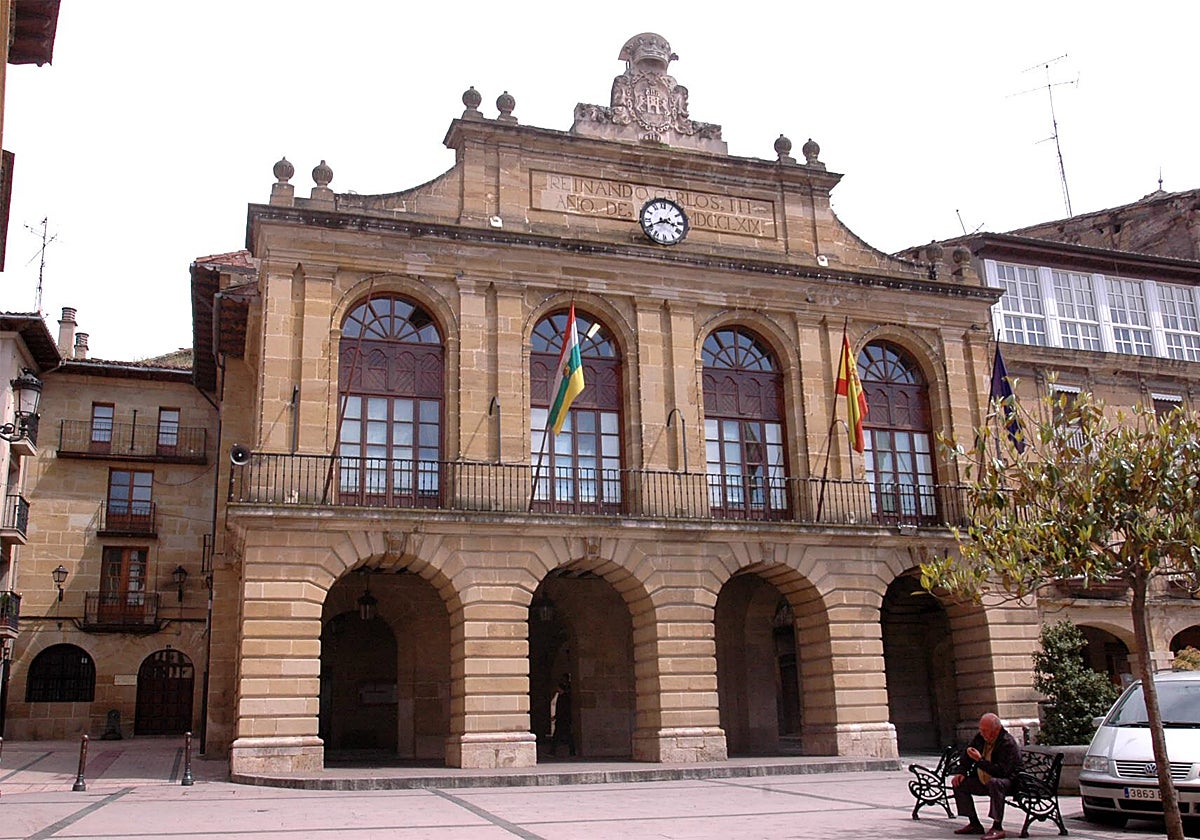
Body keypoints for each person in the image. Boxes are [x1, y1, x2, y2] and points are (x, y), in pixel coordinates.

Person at [950, 712, 1022, 840]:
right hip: (984, 780)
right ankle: (974, 823)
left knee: (995, 783)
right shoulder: (980, 738)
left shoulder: (1007, 743)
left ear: (997, 730)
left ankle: (997, 826)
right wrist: (961, 772)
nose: (982, 733)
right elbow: (967, 755)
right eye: (981, 730)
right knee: (959, 783)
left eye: (985, 730)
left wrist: (980, 760)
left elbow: (1002, 772)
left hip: (1009, 783)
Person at [549, 674, 575, 756]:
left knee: (558, 736)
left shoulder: (564, 697)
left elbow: (562, 709)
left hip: (563, 720)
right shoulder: (563, 697)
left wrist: (556, 717)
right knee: (566, 736)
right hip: (563, 720)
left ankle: (553, 751)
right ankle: (572, 751)